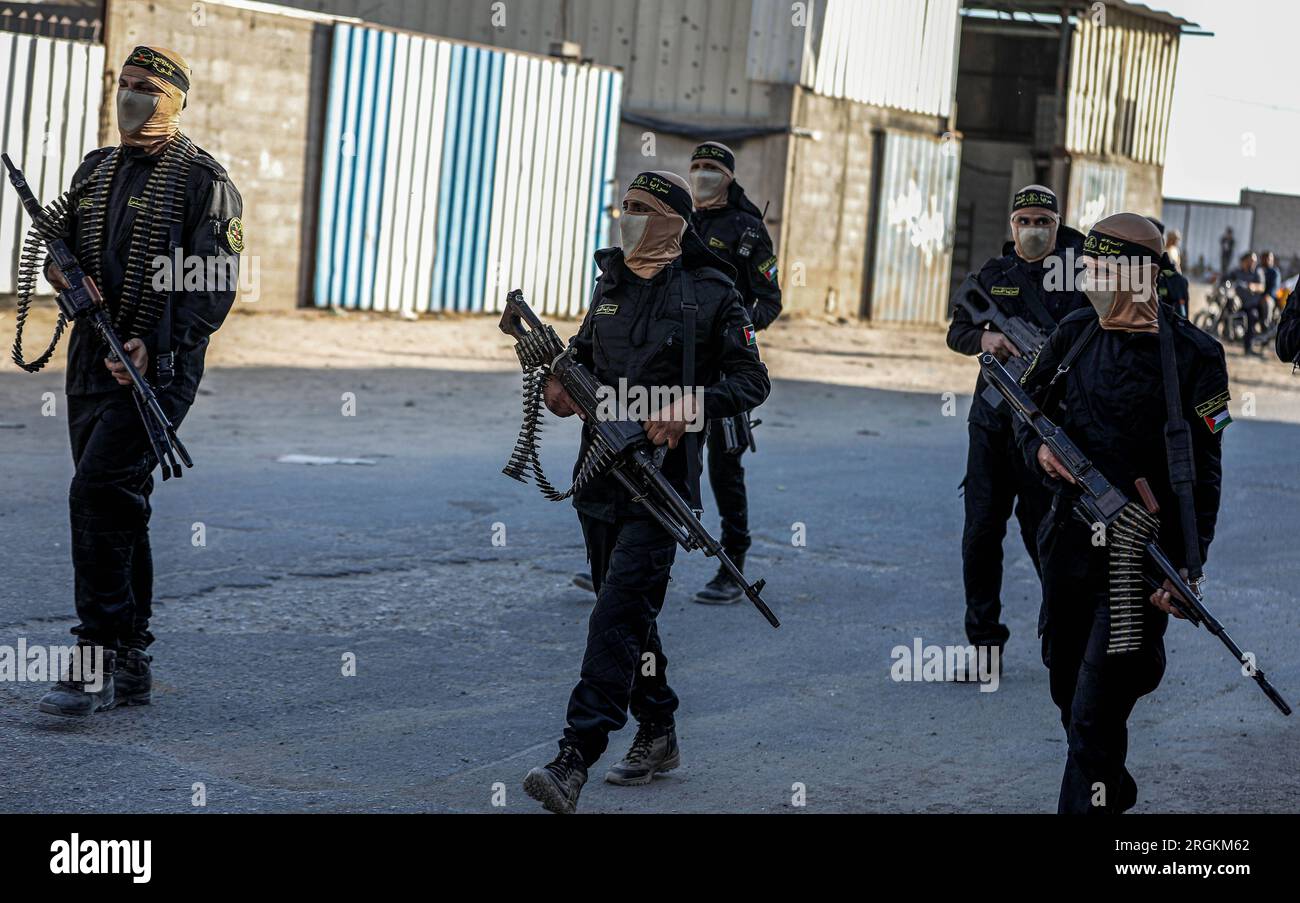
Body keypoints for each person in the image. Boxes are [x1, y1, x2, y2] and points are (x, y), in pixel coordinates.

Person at [524, 171, 770, 814]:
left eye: (643, 209)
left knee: (614, 615)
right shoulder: (609, 285)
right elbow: (578, 361)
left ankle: (574, 755)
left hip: (663, 486)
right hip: (599, 479)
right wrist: (557, 390)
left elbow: (752, 380)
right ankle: (657, 728)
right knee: (628, 615)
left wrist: (692, 405)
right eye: (624, 207)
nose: (628, 217)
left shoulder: (713, 293)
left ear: (673, 222)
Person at [38, 46, 244, 717]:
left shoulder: (202, 181)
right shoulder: (95, 172)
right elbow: (56, 258)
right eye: (123, 85)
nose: (129, 97)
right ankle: (133, 661)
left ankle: (95, 654)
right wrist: (69, 280)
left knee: (96, 489)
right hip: (89, 363)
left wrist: (153, 344)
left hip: (157, 371)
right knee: (119, 500)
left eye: (145, 88)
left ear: (174, 100)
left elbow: (213, 286)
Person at [1015, 213, 1228, 814]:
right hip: (1067, 545)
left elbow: (1204, 475)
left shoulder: (1194, 357)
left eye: (1101, 268)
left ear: (1139, 275)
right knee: (1067, 687)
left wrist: (1186, 566)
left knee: (1094, 708)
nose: (1088, 276)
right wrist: (1038, 452)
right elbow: (1022, 412)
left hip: (1137, 559)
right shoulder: (1073, 334)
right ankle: (1109, 784)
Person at [945, 185, 1089, 663]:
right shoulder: (994, 274)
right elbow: (957, 332)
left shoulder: (1079, 275)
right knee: (981, 535)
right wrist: (987, 337)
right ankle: (984, 644)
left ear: (1058, 224)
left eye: (1043, 222)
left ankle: (1063, 635)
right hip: (991, 422)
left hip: (1047, 428)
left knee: (1044, 535)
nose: (1033, 229)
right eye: (1024, 221)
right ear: (1012, 226)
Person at [686, 140, 782, 605]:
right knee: (658, 459)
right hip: (679, 364)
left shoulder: (747, 229)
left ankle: (732, 566)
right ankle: (626, 559)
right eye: (696, 166)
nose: (702, 174)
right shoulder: (678, 219)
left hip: (726, 369)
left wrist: (733, 326)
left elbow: (771, 300)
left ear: (728, 176)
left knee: (725, 468)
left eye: (711, 167)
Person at [1148, 217, 1190, 319]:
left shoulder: (1173, 251)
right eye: (1175, 239)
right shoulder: (1165, 251)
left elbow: (1171, 269)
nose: (1177, 241)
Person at [1226, 252, 1266, 355]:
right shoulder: (1237, 271)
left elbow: (1262, 287)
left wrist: (1253, 286)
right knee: (1226, 308)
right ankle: (1227, 333)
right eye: (1250, 261)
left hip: (1251, 304)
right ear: (1244, 261)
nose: (1252, 263)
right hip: (1238, 303)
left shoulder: (1258, 271)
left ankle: (1248, 348)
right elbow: (1227, 277)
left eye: (1254, 261)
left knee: (1252, 316)